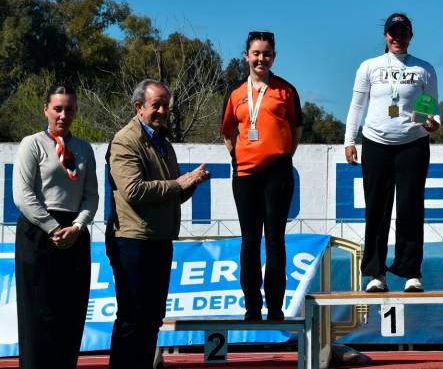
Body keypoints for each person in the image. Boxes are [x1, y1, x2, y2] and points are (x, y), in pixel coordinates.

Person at [106, 79, 210, 369]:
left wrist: (191, 184)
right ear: (139, 107)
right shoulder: (125, 140)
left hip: (159, 240)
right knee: (132, 317)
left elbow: (169, 195)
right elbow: (134, 191)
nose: (163, 111)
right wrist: (178, 183)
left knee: (152, 317)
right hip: (132, 241)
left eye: (166, 105)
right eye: (156, 105)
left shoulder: (164, 144)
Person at [344, 13, 440, 293]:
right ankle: (376, 273)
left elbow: (432, 109)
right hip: (375, 143)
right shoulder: (369, 66)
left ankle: (411, 272)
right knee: (377, 209)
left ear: (411, 35)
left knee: (411, 207)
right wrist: (350, 140)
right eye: (392, 33)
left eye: (403, 32)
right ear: (385, 36)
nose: (397, 37)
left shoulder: (425, 69)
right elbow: (356, 106)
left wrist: (432, 123)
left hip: (413, 144)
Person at [12, 85, 98, 369]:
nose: (63, 114)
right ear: (46, 110)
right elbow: (23, 195)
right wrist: (51, 227)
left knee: (70, 315)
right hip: (38, 233)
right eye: (57, 108)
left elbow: (91, 195)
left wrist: (77, 226)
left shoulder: (84, 149)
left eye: (69, 109)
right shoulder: (31, 144)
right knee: (38, 317)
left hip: (74, 234)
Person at [221, 31, 303, 320]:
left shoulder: (286, 90)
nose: (261, 58)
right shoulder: (235, 93)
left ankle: (276, 307)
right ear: (246, 56)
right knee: (249, 240)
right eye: (256, 53)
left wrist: (280, 156)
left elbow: (296, 129)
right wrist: (238, 157)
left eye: (267, 54)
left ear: (274, 57)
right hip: (245, 175)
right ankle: (252, 306)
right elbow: (228, 132)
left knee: (275, 241)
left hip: (277, 174)